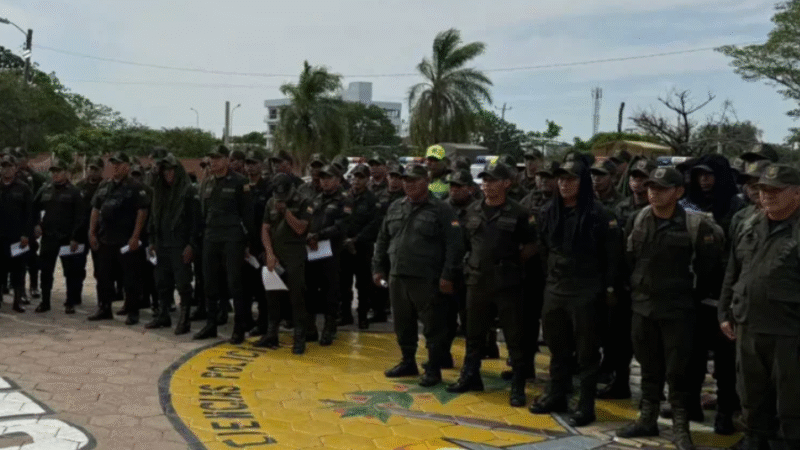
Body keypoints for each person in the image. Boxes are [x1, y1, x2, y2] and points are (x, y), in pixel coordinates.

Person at [617, 167, 724, 450]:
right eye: (651, 187)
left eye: (662, 188)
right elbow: (629, 259)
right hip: (643, 307)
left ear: (678, 192)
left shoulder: (696, 225)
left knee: (679, 373)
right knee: (648, 368)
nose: (654, 193)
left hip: (679, 310)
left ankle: (680, 427)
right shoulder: (638, 219)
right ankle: (647, 419)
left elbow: (708, 269)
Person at [529, 157, 619, 427]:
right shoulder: (548, 211)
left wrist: (609, 289)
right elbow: (543, 249)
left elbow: (612, 257)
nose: (564, 184)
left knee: (587, 353)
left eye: (571, 179)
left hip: (586, 290)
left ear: (583, 182)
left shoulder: (600, 215)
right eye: (561, 179)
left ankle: (586, 404)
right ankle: (557, 394)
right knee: (557, 347)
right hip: (556, 288)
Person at [719, 164, 800, 450]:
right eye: (763, 189)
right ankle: (754, 439)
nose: (767, 195)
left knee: (790, 399)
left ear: (797, 194)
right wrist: (724, 311)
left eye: (776, 190)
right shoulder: (748, 224)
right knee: (750, 392)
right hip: (748, 325)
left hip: (788, 331)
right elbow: (733, 270)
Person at [446, 162, 537, 407]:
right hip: (477, 281)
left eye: (493, 180)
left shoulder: (519, 212)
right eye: (484, 180)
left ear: (506, 183)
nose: (487, 184)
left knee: (514, 337)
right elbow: (465, 243)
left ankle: (518, 385)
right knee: (474, 334)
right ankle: (470, 376)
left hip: (508, 284)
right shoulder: (472, 210)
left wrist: (510, 263)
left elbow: (531, 245)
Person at [372, 164, 464, 387]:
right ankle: (407, 361)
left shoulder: (441, 209)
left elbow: (455, 245)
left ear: (426, 181)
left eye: (414, 180)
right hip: (398, 276)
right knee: (402, 323)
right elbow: (383, 238)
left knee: (433, 326)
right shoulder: (396, 207)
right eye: (406, 180)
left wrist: (448, 275)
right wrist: (378, 267)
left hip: (427, 278)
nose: (409, 184)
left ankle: (433, 368)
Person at [597, 158, 656, 400]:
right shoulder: (619, 208)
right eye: (634, 177)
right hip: (622, 282)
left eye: (643, 178)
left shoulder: (661, 209)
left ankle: (653, 393)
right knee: (617, 338)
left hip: (650, 285)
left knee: (649, 342)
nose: (637, 183)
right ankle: (620, 382)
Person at [193, 145, 253, 344]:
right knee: (209, 282)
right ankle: (211, 324)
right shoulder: (208, 182)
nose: (213, 162)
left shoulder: (240, 182)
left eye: (218, 158)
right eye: (211, 158)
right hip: (211, 237)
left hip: (232, 238)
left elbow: (248, 215)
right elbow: (203, 212)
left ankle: (239, 328)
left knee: (234, 283)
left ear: (227, 160)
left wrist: (249, 243)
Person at [88, 151, 150, 324]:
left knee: (130, 278)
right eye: (113, 164)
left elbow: (142, 212)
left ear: (127, 166)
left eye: (119, 164)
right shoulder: (104, 185)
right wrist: (91, 232)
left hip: (126, 240)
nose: (115, 167)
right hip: (105, 238)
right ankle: (104, 308)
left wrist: (135, 236)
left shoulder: (135, 187)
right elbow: (95, 209)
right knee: (103, 276)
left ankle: (132, 311)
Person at [145, 153, 200, 335]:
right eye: (165, 170)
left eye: (171, 170)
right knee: (162, 282)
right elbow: (154, 217)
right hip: (162, 243)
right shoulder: (159, 191)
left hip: (180, 244)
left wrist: (191, 245)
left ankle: (184, 319)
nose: (168, 173)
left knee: (183, 283)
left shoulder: (188, 191)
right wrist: (153, 240)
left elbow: (195, 221)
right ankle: (163, 314)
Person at [257, 173, 313, 353]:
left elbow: (300, 228)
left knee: (297, 296)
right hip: (275, 253)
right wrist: (269, 253)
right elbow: (265, 229)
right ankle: (271, 334)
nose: (280, 199)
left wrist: (286, 212)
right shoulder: (270, 202)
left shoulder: (304, 202)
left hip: (294, 253)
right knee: (272, 295)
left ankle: (300, 336)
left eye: (283, 195)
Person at [31, 158, 85, 314]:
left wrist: (75, 238)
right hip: (49, 237)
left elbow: (80, 217)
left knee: (70, 272)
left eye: (58, 171)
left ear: (66, 173)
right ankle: (45, 302)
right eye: (53, 171)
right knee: (45, 271)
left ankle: (70, 302)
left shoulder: (74, 192)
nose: (55, 174)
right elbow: (33, 208)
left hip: (67, 239)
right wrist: (36, 225)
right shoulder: (45, 189)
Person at [305, 164, 351, 346]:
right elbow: (307, 219)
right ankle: (310, 328)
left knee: (330, 290)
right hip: (313, 249)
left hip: (331, 250)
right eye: (322, 178)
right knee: (310, 288)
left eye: (329, 178)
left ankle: (329, 328)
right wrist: (309, 235)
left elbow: (342, 226)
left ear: (338, 180)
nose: (324, 181)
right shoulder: (316, 199)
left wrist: (319, 235)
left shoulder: (344, 200)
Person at [339, 164, 379, 329]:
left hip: (362, 248)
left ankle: (362, 316)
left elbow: (374, 224)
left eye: (361, 177)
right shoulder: (344, 197)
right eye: (355, 177)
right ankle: (346, 315)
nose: (356, 180)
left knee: (363, 284)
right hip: (344, 247)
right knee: (344, 283)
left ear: (367, 179)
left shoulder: (372, 200)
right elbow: (340, 220)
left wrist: (356, 239)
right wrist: (344, 239)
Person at [243, 149, 272, 336]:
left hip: (261, 243)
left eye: (254, 163)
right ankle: (246, 320)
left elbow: (271, 220)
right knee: (245, 285)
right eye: (248, 163)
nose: (250, 167)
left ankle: (264, 323)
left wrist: (267, 248)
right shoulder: (241, 186)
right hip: (244, 243)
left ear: (261, 165)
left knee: (262, 288)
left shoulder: (268, 188)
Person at [0, 154, 33, 313]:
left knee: (18, 271)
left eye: (9, 166)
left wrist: (26, 234)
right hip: (0, 237)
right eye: (3, 166)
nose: (6, 169)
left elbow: (29, 214)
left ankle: (17, 301)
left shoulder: (23, 188)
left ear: (15, 168)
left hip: (17, 238)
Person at [75, 156, 106, 306]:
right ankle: (75, 296)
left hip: (99, 233)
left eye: (96, 169)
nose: (92, 172)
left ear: (101, 170)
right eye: (90, 168)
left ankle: (102, 300)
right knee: (77, 267)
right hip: (81, 232)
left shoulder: (105, 187)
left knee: (101, 269)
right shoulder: (79, 186)